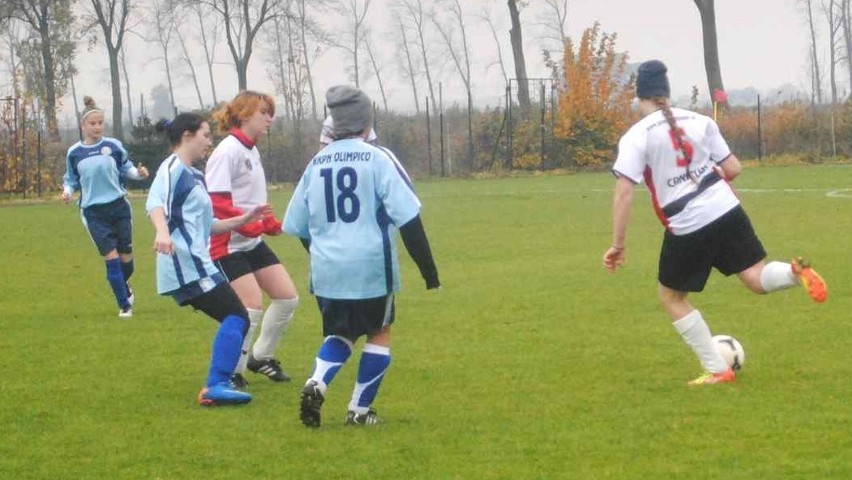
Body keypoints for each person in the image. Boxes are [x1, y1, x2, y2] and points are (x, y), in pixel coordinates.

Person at [602, 60, 828, 386]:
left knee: (671, 297)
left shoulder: (636, 136)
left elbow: (624, 193)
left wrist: (618, 245)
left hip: (687, 222)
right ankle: (795, 273)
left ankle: (716, 369)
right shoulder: (700, 120)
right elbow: (733, 167)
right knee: (755, 277)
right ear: (666, 91)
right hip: (726, 206)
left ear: (641, 97)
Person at [284, 85, 440, 427]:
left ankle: (317, 382)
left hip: (327, 270)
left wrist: (322, 254)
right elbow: (409, 217)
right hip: (370, 267)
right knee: (379, 331)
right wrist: (430, 273)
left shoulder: (317, 162)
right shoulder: (378, 157)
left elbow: (296, 224)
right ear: (366, 121)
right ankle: (359, 411)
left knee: (341, 333)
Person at [146, 113, 271, 406]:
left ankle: (219, 383)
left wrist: (243, 219)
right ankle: (216, 385)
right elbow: (155, 203)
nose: (209, 141)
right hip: (185, 263)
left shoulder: (195, 175)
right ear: (187, 135)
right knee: (237, 316)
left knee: (237, 317)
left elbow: (208, 225)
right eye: (205, 135)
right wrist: (162, 233)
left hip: (198, 262)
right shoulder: (172, 168)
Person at [206, 91, 300, 387]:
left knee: (287, 298)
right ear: (245, 114)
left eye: (270, 112)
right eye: (264, 112)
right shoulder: (227, 151)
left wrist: (269, 224)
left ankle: (261, 356)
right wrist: (248, 225)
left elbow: (252, 201)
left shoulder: (251, 150)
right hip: (226, 244)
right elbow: (217, 203)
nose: (269, 118)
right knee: (250, 307)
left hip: (251, 241)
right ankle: (232, 371)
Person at [62, 96, 149, 318]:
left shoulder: (113, 146)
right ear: (83, 126)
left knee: (126, 260)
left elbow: (126, 168)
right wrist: (68, 192)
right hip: (93, 212)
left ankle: (124, 286)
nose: (97, 127)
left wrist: (138, 174)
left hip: (119, 208)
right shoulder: (75, 153)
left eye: (100, 123)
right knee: (111, 259)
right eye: (92, 123)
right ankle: (124, 306)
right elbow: (71, 179)